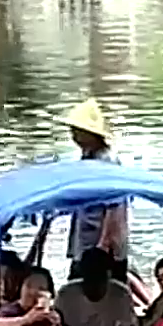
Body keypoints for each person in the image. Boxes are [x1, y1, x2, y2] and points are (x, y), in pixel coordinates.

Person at [65, 98, 129, 281]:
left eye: (77, 132)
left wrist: (104, 243)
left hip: (102, 245)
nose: (74, 136)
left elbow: (114, 206)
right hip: (86, 240)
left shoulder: (107, 162)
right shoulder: (87, 158)